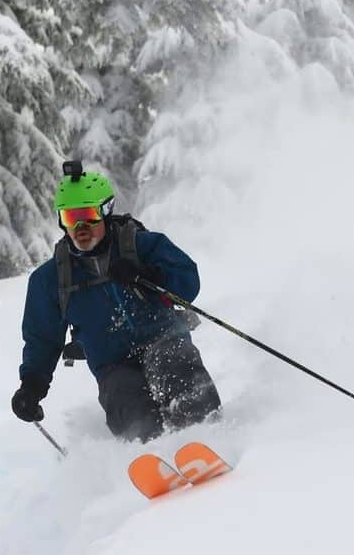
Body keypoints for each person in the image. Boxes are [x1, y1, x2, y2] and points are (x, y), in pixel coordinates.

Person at [12, 162, 222, 442]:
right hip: (112, 364)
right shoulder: (50, 280)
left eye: (87, 214)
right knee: (127, 404)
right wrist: (31, 386)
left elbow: (188, 279)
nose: (80, 227)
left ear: (105, 211)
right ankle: (155, 459)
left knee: (175, 368)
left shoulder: (141, 246)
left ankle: (207, 437)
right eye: (70, 217)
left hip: (163, 338)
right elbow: (42, 339)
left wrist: (149, 276)